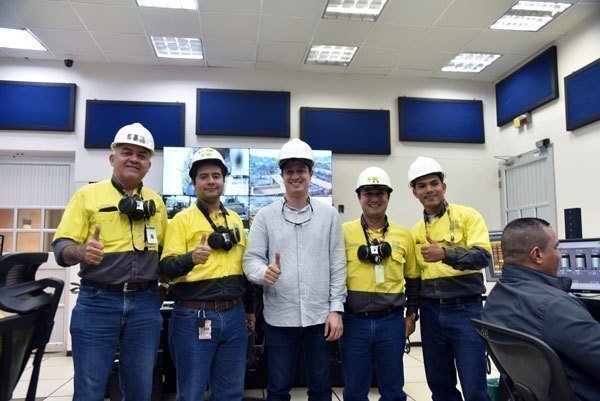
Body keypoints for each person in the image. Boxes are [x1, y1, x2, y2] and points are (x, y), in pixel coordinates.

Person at [52, 122, 167, 401]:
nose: (134, 159)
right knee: (90, 388)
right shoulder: (87, 196)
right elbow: (61, 247)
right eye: (127, 152)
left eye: (142, 155)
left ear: (148, 165)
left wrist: (161, 289)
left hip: (145, 304)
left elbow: (163, 252)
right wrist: (82, 252)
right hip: (97, 302)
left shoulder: (156, 203)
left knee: (141, 388)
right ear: (112, 158)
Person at [243, 138, 347, 401]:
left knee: (322, 387)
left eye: (301, 170)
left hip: (319, 317)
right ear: (282, 176)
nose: (295, 176)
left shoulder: (329, 216)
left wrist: (336, 309)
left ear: (311, 174)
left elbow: (338, 265)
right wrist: (263, 273)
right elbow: (250, 260)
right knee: (277, 388)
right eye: (289, 171)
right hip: (280, 318)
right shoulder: (265, 216)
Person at [160, 148, 254, 401]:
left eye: (216, 175)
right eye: (203, 176)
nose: (211, 181)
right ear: (193, 182)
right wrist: (190, 259)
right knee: (191, 392)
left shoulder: (235, 220)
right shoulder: (181, 221)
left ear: (224, 180)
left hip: (234, 314)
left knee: (231, 393)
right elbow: (166, 267)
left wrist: (249, 310)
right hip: (194, 315)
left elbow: (244, 268)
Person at [483, 218, 600, 401]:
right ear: (537, 255)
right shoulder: (556, 307)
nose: (560, 256)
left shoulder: (494, 300)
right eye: (556, 248)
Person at [408, 156, 492, 401]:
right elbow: (414, 279)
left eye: (434, 183)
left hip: (466, 309)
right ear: (414, 192)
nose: (429, 190)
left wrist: (445, 254)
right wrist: (411, 314)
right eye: (422, 186)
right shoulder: (415, 231)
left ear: (444, 186)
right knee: (440, 386)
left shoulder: (468, 216)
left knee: (474, 386)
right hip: (431, 312)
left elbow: (482, 256)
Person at [340, 167, 420, 401]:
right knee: (355, 390)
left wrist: (412, 315)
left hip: (391, 322)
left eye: (380, 193)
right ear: (359, 197)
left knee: (393, 389)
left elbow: (414, 281)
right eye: (368, 193)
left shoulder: (404, 236)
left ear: (388, 196)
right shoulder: (343, 232)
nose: (374, 199)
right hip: (354, 322)